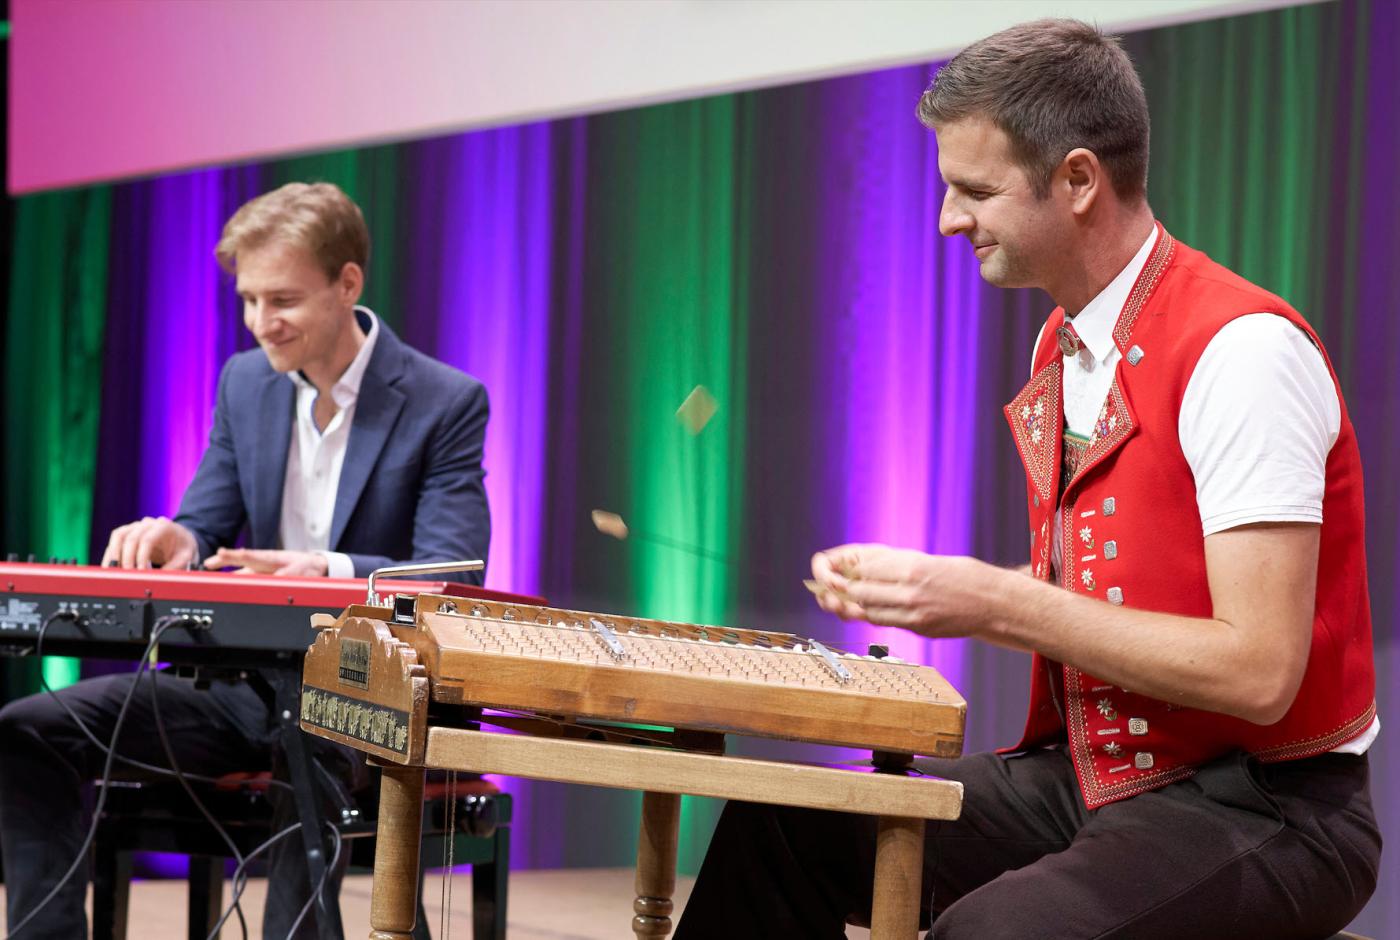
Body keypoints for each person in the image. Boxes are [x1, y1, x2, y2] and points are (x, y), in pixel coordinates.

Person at [675, 20, 1379, 940]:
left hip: (1270, 808)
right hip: (1098, 780)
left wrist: (995, 604)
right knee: (782, 823)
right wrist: (938, 589)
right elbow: (1118, 585)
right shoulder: (1065, 340)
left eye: (976, 191)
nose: (946, 221)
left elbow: (1260, 673)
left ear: (1079, 180)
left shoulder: (1241, 351)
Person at [0, 182, 491, 939]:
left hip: (367, 694)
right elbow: (206, 520)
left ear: (347, 284)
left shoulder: (444, 401)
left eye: (283, 299)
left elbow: (453, 573)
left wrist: (325, 571)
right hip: (246, 693)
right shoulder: (246, 383)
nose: (262, 322)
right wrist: (179, 539)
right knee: (27, 730)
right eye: (249, 299)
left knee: (312, 750)